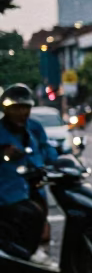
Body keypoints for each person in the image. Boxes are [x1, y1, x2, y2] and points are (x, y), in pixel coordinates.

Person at [0, 84, 57, 259]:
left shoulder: (31, 130)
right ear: (6, 109)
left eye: (25, 108)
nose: (21, 113)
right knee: (32, 216)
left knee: (40, 221)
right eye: (16, 108)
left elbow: (46, 150)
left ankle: (30, 254)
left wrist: (60, 162)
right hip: (7, 190)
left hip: (32, 184)